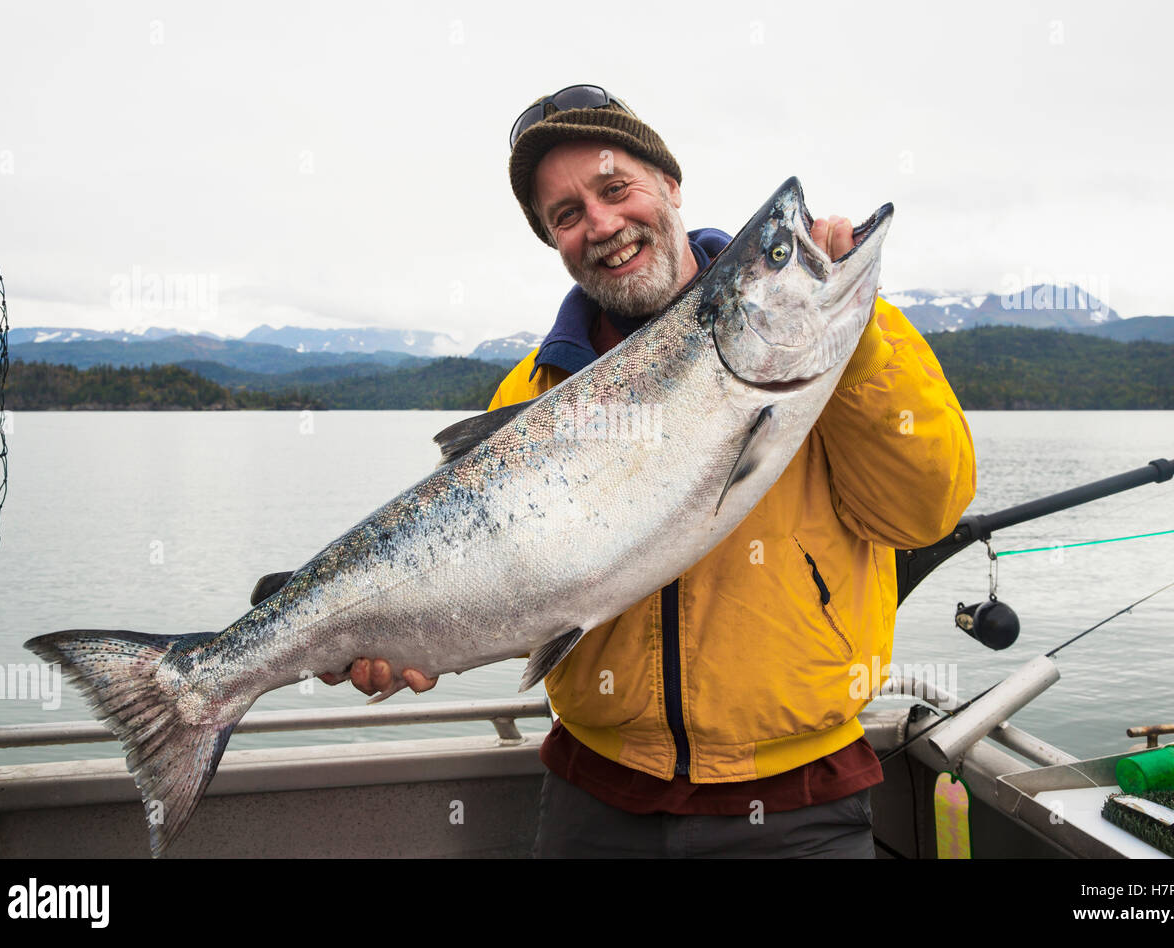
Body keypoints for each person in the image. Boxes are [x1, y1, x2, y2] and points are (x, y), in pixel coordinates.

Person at [327, 85, 976, 858]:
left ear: (669, 185)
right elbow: (504, 591)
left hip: (801, 801)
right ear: (556, 242)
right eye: (566, 215)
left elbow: (924, 514)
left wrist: (854, 332)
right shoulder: (533, 395)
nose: (600, 224)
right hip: (596, 799)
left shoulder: (849, 344)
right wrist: (405, 638)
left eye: (613, 188)